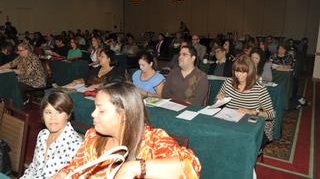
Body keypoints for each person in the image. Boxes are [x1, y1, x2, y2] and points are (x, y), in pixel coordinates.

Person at [53, 82, 200, 178]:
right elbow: (76, 168)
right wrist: (61, 175)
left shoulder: (151, 140)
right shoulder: (93, 136)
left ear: (123, 115)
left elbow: (190, 165)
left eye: (101, 110)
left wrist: (134, 167)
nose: (93, 114)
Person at [216, 55, 275, 147]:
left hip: (248, 127)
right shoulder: (228, 83)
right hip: (229, 123)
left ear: (250, 72)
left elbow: (271, 114)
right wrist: (218, 98)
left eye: (243, 72)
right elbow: (217, 103)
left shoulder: (259, 89)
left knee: (236, 143)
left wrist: (252, 112)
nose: (239, 75)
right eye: (237, 71)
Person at [20, 91, 82, 178]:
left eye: (58, 112)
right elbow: (33, 167)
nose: (52, 118)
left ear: (68, 115)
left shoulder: (75, 145)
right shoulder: (42, 135)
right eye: (48, 112)